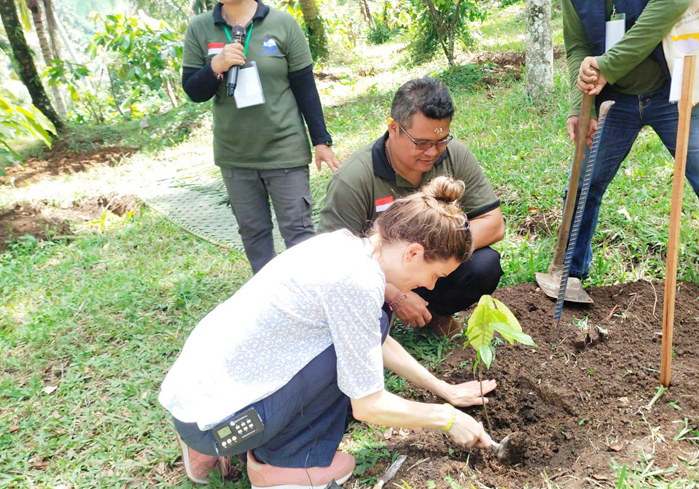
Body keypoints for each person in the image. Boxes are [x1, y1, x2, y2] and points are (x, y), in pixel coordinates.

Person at [159, 177, 496, 488]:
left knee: (367, 331)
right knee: (361, 344)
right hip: (219, 425)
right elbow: (368, 405)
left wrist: (443, 389)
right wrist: (448, 419)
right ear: (413, 253)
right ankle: (282, 467)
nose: (430, 285)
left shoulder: (343, 248)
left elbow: (367, 341)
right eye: (435, 274)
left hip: (196, 406)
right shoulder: (358, 282)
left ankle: (206, 448)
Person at [561, 0, 699, 343]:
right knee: (581, 184)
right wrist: (581, 104)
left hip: (680, 83)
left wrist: (608, 65)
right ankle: (567, 279)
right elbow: (577, 45)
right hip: (614, 98)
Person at [319, 77, 505, 337]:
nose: (432, 152)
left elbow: (493, 224)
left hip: (431, 270)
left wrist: (434, 253)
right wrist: (394, 294)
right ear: (394, 128)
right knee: (365, 320)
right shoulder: (354, 179)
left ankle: (436, 314)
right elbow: (333, 260)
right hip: (378, 278)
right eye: (421, 143)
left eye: (440, 142)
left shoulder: (456, 155)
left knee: (484, 265)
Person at [181, 0, 340, 274]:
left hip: (285, 150)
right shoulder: (199, 28)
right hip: (235, 155)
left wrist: (321, 142)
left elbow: (305, 88)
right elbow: (194, 91)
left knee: (299, 233)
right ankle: (272, 302)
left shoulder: (283, 24)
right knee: (254, 235)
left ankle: (311, 301)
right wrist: (215, 66)